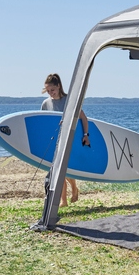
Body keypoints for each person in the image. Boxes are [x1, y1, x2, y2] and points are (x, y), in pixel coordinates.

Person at [41, 73, 90, 207]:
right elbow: (44, 123)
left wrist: (86, 135)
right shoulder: (45, 104)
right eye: (48, 91)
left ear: (58, 86)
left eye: (52, 90)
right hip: (54, 140)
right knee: (57, 169)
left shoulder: (69, 100)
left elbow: (83, 118)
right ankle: (64, 201)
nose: (50, 93)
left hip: (69, 139)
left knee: (65, 169)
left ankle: (74, 188)